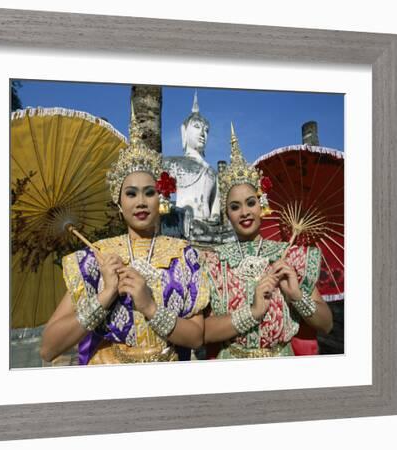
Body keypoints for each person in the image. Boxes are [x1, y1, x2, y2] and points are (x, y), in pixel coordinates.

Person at [40, 143, 209, 365]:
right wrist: (106, 295)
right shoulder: (96, 257)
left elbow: (196, 338)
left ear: (161, 198)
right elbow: (48, 348)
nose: (141, 202)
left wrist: (150, 307)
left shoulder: (184, 255)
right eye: (131, 194)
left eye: (149, 193)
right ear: (119, 203)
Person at [203, 127, 333, 359]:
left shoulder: (290, 257)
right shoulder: (214, 262)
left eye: (250, 203)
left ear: (261, 205)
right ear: (227, 213)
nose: (244, 212)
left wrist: (297, 297)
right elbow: (203, 332)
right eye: (235, 207)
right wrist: (252, 313)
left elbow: (326, 324)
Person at [164, 91, 220, 222]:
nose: (202, 133)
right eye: (196, 127)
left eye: (206, 130)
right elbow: (163, 199)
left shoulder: (212, 172)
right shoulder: (172, 163)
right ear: (184, 131)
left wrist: (216, 217)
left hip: (208, 228)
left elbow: (216, 207)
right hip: (181, 223)